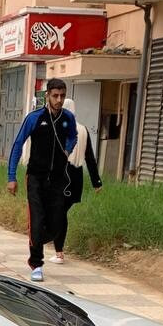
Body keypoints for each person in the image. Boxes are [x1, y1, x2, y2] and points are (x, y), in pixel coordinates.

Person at [7, 78, 76, 282]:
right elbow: (18, 144)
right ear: (47, 95)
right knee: (37, 221)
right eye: (55, 95)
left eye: (62, 96)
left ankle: (37, 237)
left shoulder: (68, 118)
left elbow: (73, 136)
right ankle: (36, 263)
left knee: (56, 224)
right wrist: (12, 177)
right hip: (35, 177)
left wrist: (68, 149)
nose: (59, 99)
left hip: (57, 179)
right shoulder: (35, 118)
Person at [51, 98, 103, 264]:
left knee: (58, 212)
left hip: (62, 174)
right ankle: (57, 247)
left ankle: (59, 253)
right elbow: (90, 158)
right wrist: (97, 182)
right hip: (76, 177)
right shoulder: (83, 129)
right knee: (60, 212)